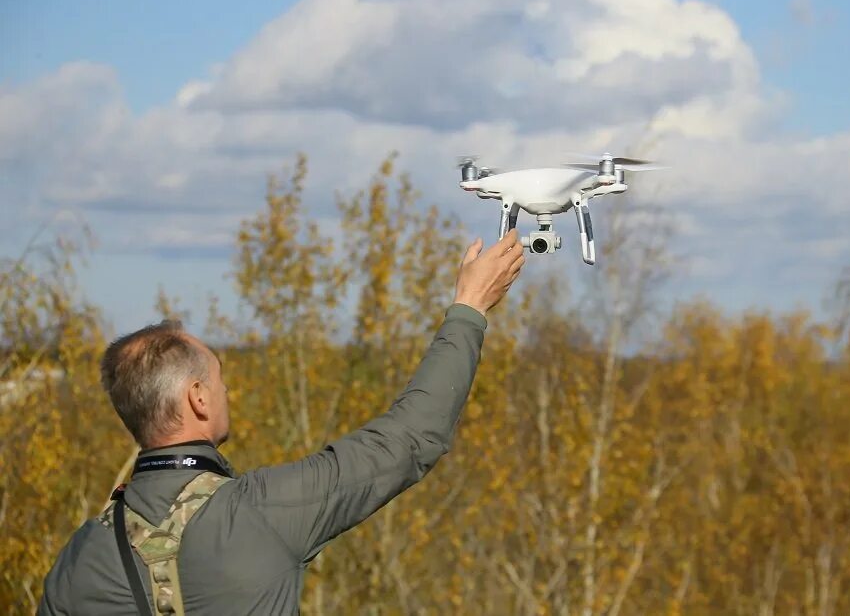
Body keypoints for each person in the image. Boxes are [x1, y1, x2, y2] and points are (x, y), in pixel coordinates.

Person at [38, 230, 525, 616]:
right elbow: (411, 437)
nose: (228, 390)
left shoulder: (78, 559)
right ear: (198, 399)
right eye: (219, 379)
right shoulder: (261, 512)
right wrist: (469, 308)